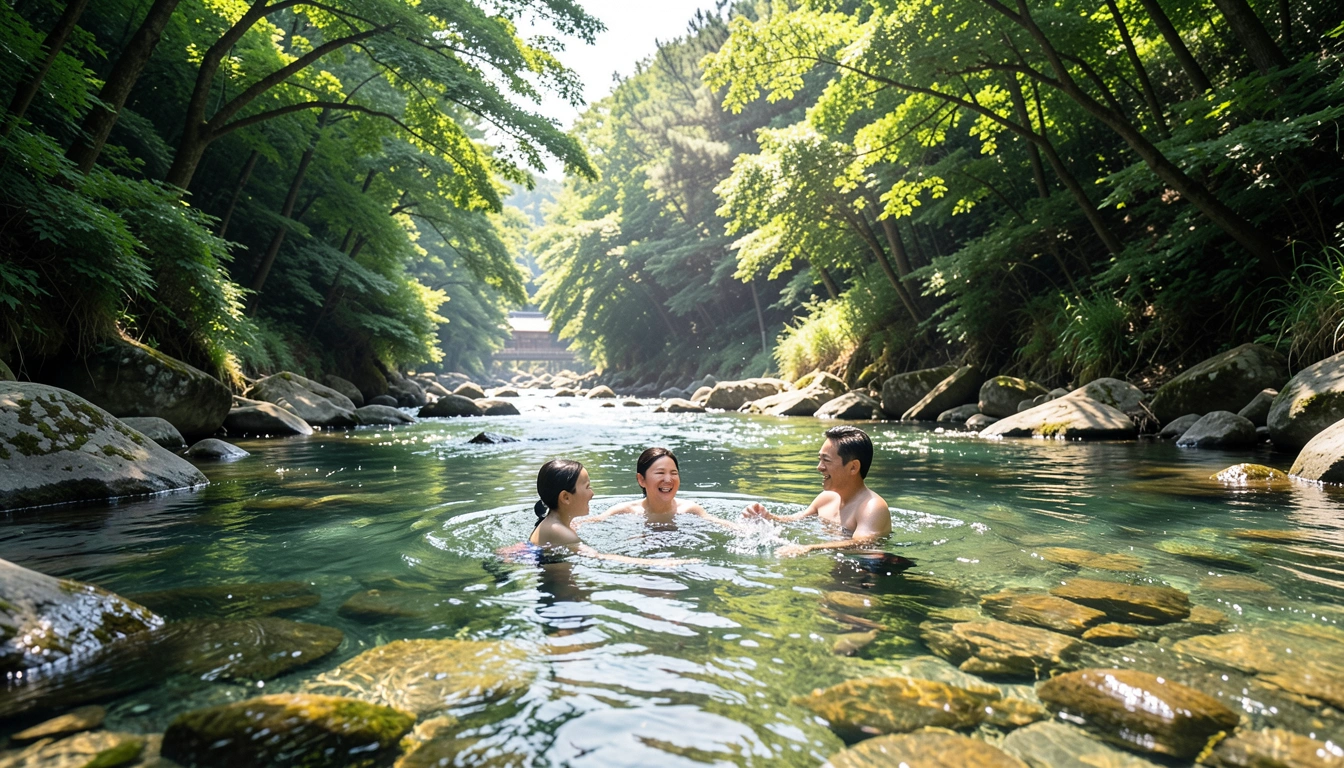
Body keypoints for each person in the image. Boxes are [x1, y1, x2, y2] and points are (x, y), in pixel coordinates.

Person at [744, 425, 892, 557]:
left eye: (826, 460)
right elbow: (796, 521)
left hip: (868, 574)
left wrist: (809, 548)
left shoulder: (872, 506)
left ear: (853, 467)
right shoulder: (826, 499)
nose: (819, 467)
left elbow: (863, 543)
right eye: (819, 459)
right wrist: (768, 518)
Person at [529, 458, 697, 566]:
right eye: (587, 487)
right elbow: (598, 557)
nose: (592, 493)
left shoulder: (555, 524)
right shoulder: (560, 531)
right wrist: (660, 563)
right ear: (566, 498)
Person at [577, 447, 741, 530]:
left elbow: (725, 526)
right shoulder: (624, 511)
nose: (668, 480)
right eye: (660, 473)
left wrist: (755, 522)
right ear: (641, 480)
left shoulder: (690, 510)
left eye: (674, 473)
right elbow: (584, 523)